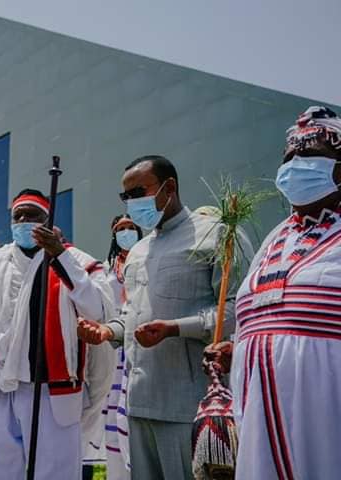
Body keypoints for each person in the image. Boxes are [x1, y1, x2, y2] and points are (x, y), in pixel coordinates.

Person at [77, 155, 251, 479]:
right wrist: (108, 331)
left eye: (138, 192)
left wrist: (175, 329)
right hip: (139, 400)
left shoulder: (217, 235)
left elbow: (238, 310)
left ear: (169, 187)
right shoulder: (139, 251)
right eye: (125, 196)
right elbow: (131, 314)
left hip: (188, 403)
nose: (132, 203)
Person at [205, 106, 341, 479]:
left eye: (309, 154)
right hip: (259, 414)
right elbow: (266, 317)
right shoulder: (276, 237)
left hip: (324, 417)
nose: (295, 165)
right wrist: (236, 349)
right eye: (289, 157)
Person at [0, 189, 115, 480]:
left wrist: (59, 255)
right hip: (2, 386)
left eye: (31, 216)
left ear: (47, 220)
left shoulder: (77, 259)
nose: (23, 221)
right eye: (17, 216)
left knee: (54, 471)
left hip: (50, 386)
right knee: (1, 470)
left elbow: (96, 309)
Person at [80, 214, 141, 480]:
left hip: (140, 343)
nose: (126, 232)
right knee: (109, 416)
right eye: (121, 229)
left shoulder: (149, 260)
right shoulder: (105, 270)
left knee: (132, 415)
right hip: (112, 348)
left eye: (131, 227)